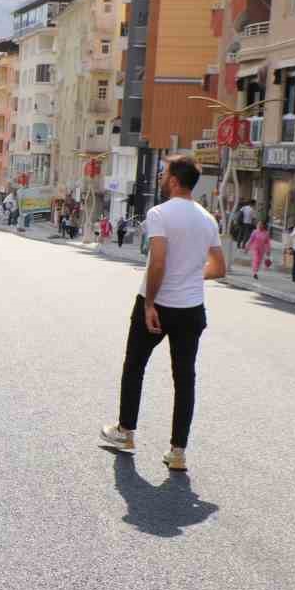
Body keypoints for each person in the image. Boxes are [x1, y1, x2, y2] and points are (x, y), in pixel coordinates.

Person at [99, 154, 226, 472]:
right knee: (184, 379)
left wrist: (150, 303)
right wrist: (190, 275)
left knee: (135, 367)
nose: (159, 176)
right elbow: (220, 268)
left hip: (159, 305)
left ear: (173, 180)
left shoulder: (159, 213)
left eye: (163, 172)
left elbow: (157, 262)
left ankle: (126, 432)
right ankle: (178, 452)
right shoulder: (208, 219)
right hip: (192, 310)